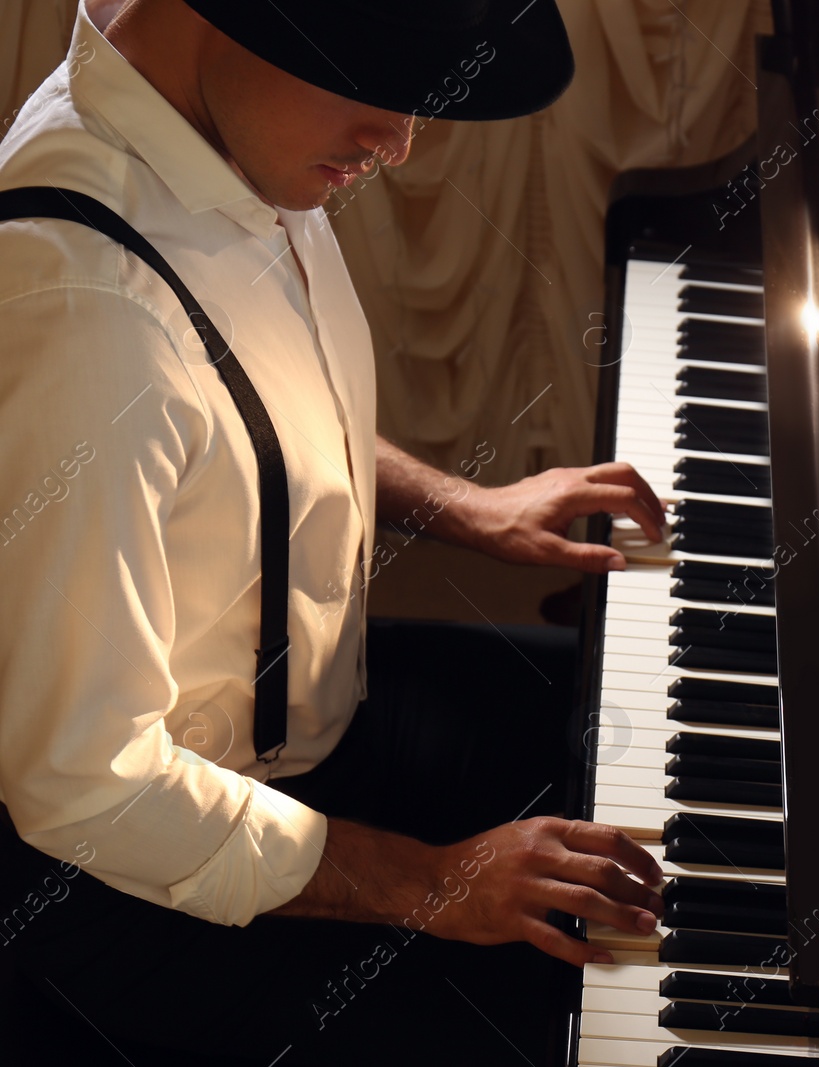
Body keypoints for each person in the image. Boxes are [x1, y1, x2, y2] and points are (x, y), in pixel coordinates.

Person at [0, 1, 667, 1062]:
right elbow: (86, 781)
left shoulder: (222, 133)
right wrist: (431, 882)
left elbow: (247, 403)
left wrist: (466, 507)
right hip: (125, 876)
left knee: (625, 729)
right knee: (600, 1020)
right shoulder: (83, 305)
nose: (400, 139)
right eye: (375, 72)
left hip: (308, 718)